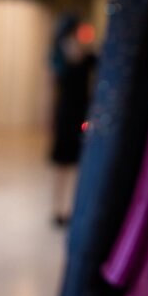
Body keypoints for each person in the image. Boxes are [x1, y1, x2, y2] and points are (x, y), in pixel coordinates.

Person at [48, 15, 98, 226]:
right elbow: (51, 89)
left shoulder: (88, 58)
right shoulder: (58, 59)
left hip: (81, 115)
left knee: (78, 163)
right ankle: (58, 207)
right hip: (66, 114)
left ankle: (72, 207)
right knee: (62, 164)